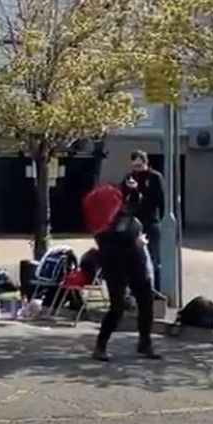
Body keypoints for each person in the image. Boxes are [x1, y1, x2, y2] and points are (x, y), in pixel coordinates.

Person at [84, 185, 162, 362]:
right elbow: (111, 247)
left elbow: (135, 203)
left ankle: (145, 343)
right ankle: (101, 345)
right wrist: (135, 242)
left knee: (146, 302)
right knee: (117, 309)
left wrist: (133, 190)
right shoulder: (102, 227)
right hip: (116, 267)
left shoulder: (124, 214)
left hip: (136, 263)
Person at [121, 151, 164, 286]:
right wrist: (130, 190)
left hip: (150, 221)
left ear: (145, 163)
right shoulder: (129, 178)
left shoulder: (154, 177)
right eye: (134, 167)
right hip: (133, 222)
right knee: (133, 258)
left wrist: (140, 194)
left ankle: (155, 289)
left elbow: (159, 200)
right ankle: (135, 290)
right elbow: (123, 199)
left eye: (139, 166)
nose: (136, 170)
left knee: (152, 257)